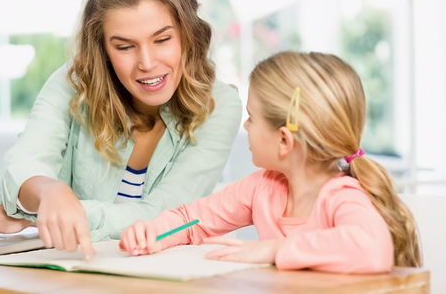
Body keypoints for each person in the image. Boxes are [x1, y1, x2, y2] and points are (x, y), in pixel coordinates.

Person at [0, 0, 241, 259]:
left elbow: (164, 213)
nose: (147, 62)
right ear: (102, 49)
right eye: (125, 47)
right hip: (83, 270)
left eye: (162, 39)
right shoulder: (73, 83)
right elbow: (25, 162)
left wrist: (34, 218)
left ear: (186, 35)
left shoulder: (219, 105)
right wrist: (50, 193)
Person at [119, 51, 422, 273]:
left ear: (284, 141)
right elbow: (192, 220)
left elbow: (372, 249)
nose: (247, 127)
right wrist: (154, 233)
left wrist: (276, 249)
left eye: (252, 117)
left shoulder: (341, 196)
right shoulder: (262, 188)